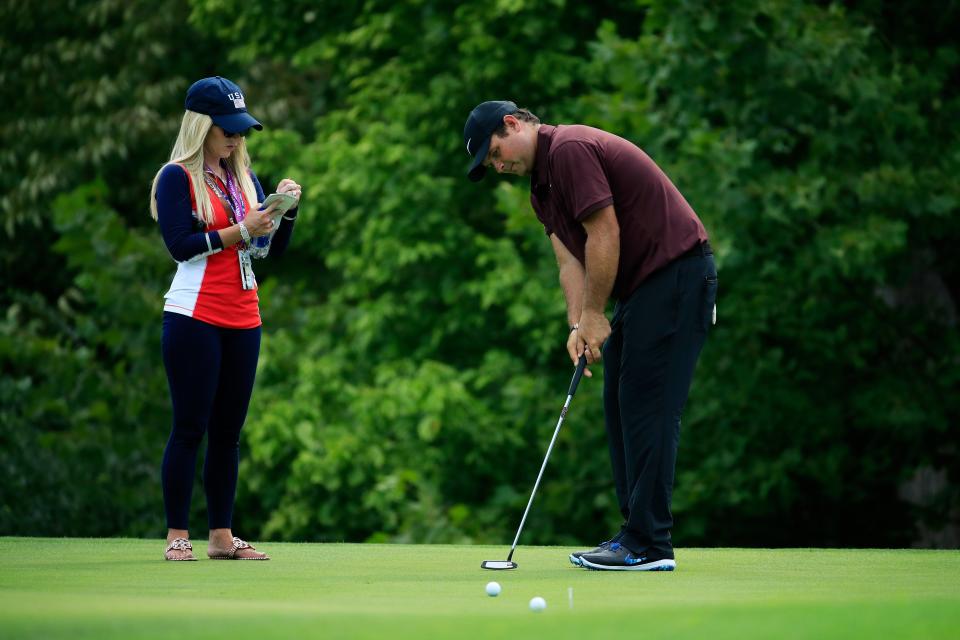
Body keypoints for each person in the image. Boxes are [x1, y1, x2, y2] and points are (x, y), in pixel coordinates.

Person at [463, 101, 717, 571]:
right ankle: (633, 535)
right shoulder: (542, 188)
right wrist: (579, 324)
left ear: (513, 125)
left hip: (676, 276)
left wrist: (597, 312)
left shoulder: (571, 149)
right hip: (644, 290)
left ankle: (649, 543)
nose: (498, 167)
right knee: (621, 406)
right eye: (490, 165)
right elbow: (570, 261)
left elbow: (604, 232)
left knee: (649, 406)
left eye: (495, 153)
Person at [149, 76, 302, 561]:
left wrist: (285, 212)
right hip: (194, 314)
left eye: (240, 129)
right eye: (226, 129)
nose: (235, 138)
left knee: (228, 433)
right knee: (190, 426)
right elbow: (180, 245)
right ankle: (178, 534)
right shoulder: (176, 177)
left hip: (243, 315)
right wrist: (239, 228)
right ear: (201, 127)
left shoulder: (243, 179)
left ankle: (221, 536)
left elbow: (266, 250)